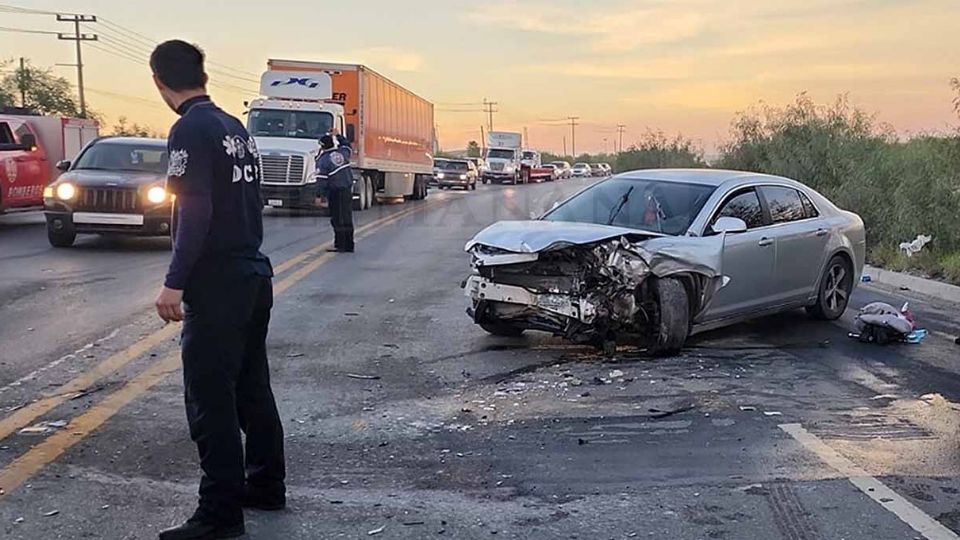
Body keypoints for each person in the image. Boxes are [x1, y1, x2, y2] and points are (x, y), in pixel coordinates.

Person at [150, 40, 285, 540]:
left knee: (210, 399)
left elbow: (195, 209)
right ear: (202, 75)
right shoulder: (234, 127)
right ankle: (267, 485)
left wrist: (174, 281)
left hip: (219, 283)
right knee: (251, 390)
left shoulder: (188, 128)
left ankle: (219, 514)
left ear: (160, 81)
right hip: (253, 275)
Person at [314, 129, 355, 252]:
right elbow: (347, 144)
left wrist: (318, 196)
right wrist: (338, 135)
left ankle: (340, 244)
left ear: (322, 146)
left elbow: (321, 180)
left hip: (335, 192)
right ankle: (349, 244)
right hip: (347, 189)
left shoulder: (323, 160)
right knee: (347, 217)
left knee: (337, 219)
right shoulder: (343, 153)